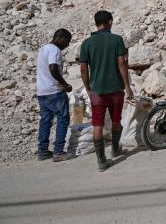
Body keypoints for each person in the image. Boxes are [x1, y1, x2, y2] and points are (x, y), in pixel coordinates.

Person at [80, 10, 133, 171]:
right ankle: (115, 149)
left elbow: (83, 69)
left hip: (97, 91)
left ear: (96, 24)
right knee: (116, 121)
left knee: (98, 125)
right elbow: (121, 63)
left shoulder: (86, 43)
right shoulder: (116, 40)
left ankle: (101, 161)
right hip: (116, 89)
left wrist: (88, 87)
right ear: (110, 22)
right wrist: (127, 86)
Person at [36, 29, 74, 162]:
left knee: (45, 120)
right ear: (61, 38)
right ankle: (58, 152)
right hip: (54, 91)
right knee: (63, 119)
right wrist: (64, 84)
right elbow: (53, 68)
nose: (67, 45)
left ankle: (43, 151)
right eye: (67, 41)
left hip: (42, 91)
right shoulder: (54, 50)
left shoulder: (43, 49)